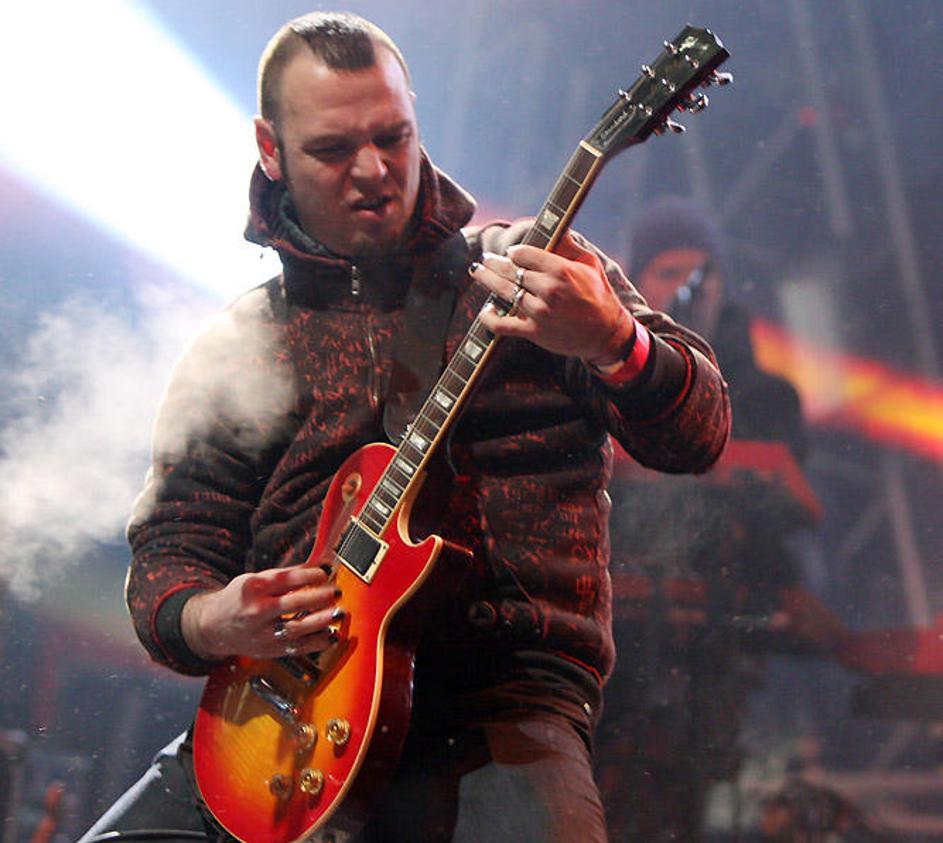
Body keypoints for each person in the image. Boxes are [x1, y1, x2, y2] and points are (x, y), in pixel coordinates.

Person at [79, 16, 730, 843]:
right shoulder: (241, 340)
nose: (373, 170)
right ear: (270, 150)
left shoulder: (535, 272)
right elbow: (170, 550)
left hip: (498, 712)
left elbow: (698, 433)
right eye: (331, 149)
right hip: (275, 718)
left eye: (393, 137)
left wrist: (614, 341)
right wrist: (213, 619)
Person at [595, 195, 811, 840]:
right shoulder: (595, 370)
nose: (692, 287)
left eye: (704, 274)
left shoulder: (769, 394)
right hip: (613, 615)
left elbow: (781, 509)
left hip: (720, 618)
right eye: (671, 272)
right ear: (637, 279)